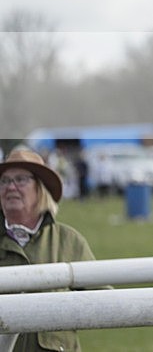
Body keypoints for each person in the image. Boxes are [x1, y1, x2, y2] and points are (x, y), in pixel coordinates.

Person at [0, 147, 100, 351]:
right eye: (4, 181)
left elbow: (103, 302)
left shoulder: (68, 240)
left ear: (40, 188)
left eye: (20, 179)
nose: (11, 187)